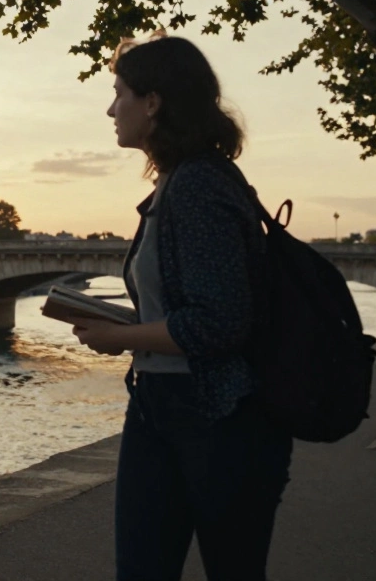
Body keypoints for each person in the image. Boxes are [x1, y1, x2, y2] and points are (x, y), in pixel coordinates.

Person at [69, 35, 293, 580]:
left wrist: (119, 337)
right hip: (161, 405)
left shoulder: (197, 185)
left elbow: (219, 324)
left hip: (215, 416)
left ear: (153, 102)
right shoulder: (178, 182)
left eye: (119, 92)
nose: (109, 108)